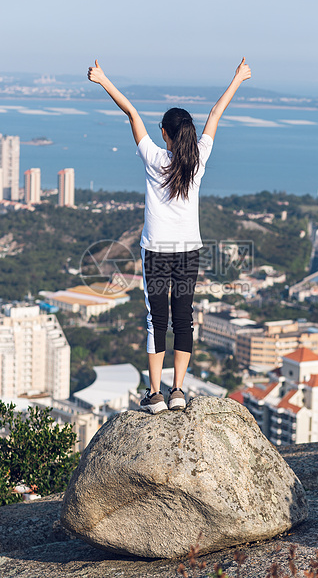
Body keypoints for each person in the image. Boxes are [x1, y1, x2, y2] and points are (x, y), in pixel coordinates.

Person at [88, 57, 251, 414]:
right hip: (189, 251)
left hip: (156, 252)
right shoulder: (199, 160)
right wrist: (238, 77)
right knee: (184, 318)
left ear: (165, 134)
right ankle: (178, 391)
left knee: (155, 320)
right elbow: (215, 113)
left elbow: (131, 113)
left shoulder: (154, 159)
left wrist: (102, 79)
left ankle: (154, 394)